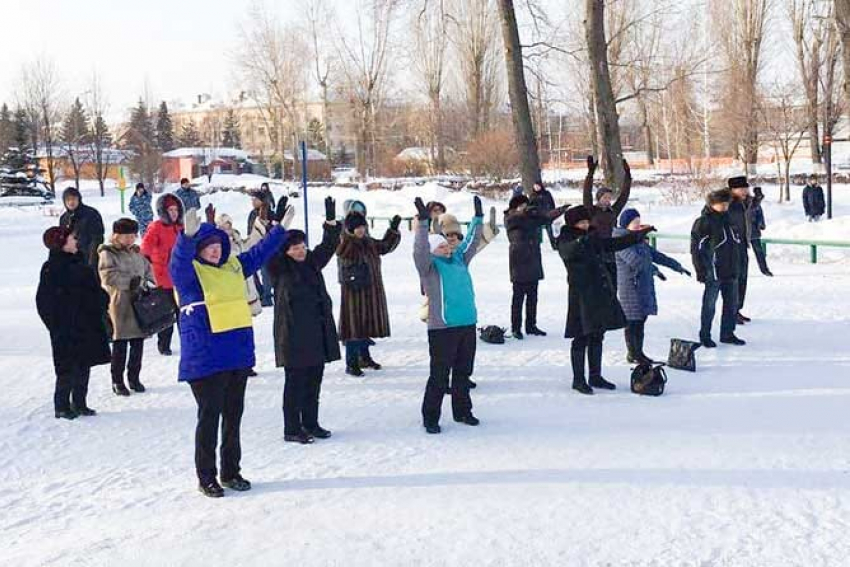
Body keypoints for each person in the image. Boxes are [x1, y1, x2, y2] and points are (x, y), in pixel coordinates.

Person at [170, 200, 289, 498]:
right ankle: (206, 476)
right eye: (208, 246)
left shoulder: (234, 266)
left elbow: (258, 254)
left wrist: (278, 231)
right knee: (209, 417)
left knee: (233, 417)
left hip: (235, 356)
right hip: (205, 359)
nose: (215, 250)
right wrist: (186, 238)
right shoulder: (190, 274)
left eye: (218, 246)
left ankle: (231, 471)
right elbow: (178, 261)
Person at [267, 197, 342, 445]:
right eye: (294, 248)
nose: (299, 251)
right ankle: (292, 427)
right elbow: (267, 250)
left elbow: (329, 245)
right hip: (293, 335)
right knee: (295, 384)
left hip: (316, 332)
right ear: (285, 251)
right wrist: (275, 225)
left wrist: (330, 221)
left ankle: (311, 422)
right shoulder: (278, 267)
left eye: (302, 246)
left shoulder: (311, 262)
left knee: (314, 381)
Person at [557, 205, 653, 395]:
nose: (585, 225)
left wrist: (637, 235)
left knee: (597, 334)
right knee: (581, 336)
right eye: (581, 222)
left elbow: (612, 244)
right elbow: (568, 251)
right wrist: (584, 239)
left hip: (599, 292)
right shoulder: (566, 238)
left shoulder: (592, 237)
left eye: (586, 222)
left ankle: (595, 375)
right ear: (573, 223)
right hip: (581, 294)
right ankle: (578, 379)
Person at [414, 196, 484, 434]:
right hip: (443, 327)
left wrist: (478, 219)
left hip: (467, 323)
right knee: (440, 376)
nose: (446, 248)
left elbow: (473, 243)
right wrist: (423, 225)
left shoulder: (459, 259)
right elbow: (420, 251)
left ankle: (463, 411)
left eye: (446, 245)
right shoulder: (429, 267)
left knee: (463, 372)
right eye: (441, 246)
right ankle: (431, 417)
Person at [37, 226, 111, 419]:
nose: (76, 241)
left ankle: (80, 403)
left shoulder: (81, 262)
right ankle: (61, 406)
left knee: (84, 364)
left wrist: (102, 300)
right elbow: (43, 302)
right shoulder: (51, 268)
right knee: (66, 368)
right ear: (61, 244)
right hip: (66, 328)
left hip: (86, 324)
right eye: (71, 239)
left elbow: (93, 288)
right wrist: (56, 325)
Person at [614, 208, 691, 364]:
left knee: (641, 319)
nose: (638, 225)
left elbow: (656, 256)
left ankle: (638, 352)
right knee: (633, 322)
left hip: (642, 285)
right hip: (630, 287)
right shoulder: (621, 242)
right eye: (634, 223)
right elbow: (637, 261)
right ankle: (633, 353)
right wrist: (654, 269)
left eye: (638, 222)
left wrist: (676, 266)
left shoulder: (636, 240)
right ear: (625, 224)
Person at [336, 209, 402, 377]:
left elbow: (384, 246)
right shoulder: (346, 243)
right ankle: (351, 363)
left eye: (362, 227)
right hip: (354, 294)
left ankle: (364, 357)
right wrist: (349, 237)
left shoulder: (368, 242)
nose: (360, 230)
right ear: (349, 229)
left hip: (371, 291)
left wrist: (392, 231)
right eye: (356, 227)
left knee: (365, 326)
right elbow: (341, 253)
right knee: (353, 328)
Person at [99, 218, 156, 396]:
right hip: (120, 304)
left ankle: (134, 377)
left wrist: (147, 282)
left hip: (139, 303)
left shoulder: (135, 252)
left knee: (138, 343)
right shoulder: (108, 253)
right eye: (127, 236)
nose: (131, 239)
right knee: (121, 344)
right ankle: (118, 380)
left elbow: (148, 269)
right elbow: (108, 276)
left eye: (133, 236)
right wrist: (130, 282)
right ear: (117, 235)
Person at [504, 194, 566, 339]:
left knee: (533, 297)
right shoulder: (510, 218)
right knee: (518, 298)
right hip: (518, 262)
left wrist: (559, 211)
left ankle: (531, 325)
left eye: (526, 205)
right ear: (515, 207)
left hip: (533, 261)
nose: (525, 208)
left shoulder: (530, 219)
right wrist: (524, 212)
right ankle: (516, 328)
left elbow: (546, 218)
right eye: (521, 206)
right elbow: (513, 220)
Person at [691, 188, 745, 348]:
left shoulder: (729, 219)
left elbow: (736, 243)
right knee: (709, 305)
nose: (725, 206)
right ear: (713, 204)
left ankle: (727, 333)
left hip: (731, 269)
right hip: (713, 271)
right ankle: (705, 335)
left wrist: (739, 265)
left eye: (726, 203)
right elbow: (696, 248)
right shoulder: (703, 222)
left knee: (731, 304)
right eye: (722, 203)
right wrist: (700, 270)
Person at [141, 193, 184, 356]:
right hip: (162, 277)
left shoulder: (181, 228)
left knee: (183, 312)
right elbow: (145, 249)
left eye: (175, 210)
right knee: (166, 313)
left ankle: (186, 341)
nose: (174, 213)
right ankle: (163, 344)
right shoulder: (156, 227)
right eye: (170, 210)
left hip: (180, 277)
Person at [583, 156, 632, 289]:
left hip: (610, 251)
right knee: (598, 286)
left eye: (609, 198)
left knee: (613, 286)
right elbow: (586, 195)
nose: (608, 200)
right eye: (605, 197)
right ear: (599, 198)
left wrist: (628, 176)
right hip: (595, 251)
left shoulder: (613, 211)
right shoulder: (591, 210)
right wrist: (590, 174)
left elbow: (624, 196)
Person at [726, 176, 752, 324]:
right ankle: (732, 311)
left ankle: (738, 309)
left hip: (742, 245)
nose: (745, 191)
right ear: (732, 190)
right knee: (734, 281)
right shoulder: (727, 204)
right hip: (731, 248)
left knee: (743, 279)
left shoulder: (744, 203)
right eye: (741, 189)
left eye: (745, 188)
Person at [59, 186, 105, 269]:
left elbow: (97, 237)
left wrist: (92, 258)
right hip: (72, 259)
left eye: (73, 199)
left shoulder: (91, 214)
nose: (71, 202)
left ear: (79, 199)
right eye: (68, 200)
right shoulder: (64, 218)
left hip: (88, 256)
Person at [247, 184, 276, 308]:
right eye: (252, 200)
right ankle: (260, 292)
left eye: (255, 200)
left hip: (266, 247)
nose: (253, 202)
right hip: (253, 246)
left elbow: (272, 230)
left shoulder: (270, 213)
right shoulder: (252, 214)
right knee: (251, 271)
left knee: (266, 272)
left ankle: (267, 296)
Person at [749, 186, 773, 277]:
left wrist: (761, 224)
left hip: (753, 230)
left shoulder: (754, 203)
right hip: (742, 231)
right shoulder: (740, 202)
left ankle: (764, 269)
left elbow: (759, 213)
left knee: (759, 251)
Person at [529, 180, 558, 250]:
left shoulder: (547, 193)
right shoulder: (532, 195)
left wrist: (553, 212)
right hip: (538, 216)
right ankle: (537, 245)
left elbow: (552, 203)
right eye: (535, 186)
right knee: (538, 232)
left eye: (538, 186)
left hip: (547, 215)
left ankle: (554, 245)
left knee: (550, 231)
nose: (536, 187)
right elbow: (530, 205)